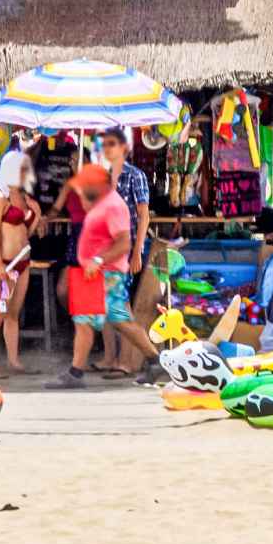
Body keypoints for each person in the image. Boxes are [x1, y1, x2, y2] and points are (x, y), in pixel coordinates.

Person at [44, 164, 162, 389]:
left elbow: (124, 243)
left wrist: (98, 260)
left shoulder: (113, 206)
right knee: (87, 322)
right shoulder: (102, 203)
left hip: (106, 274)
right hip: (93, 273)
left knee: (117, 321)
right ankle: (76, 373)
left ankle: (154, 360)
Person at [101, 128, 153, 377]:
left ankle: (127, 361)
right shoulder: (104, 177)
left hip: (126, 249)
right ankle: (111, 357)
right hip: (107, 250)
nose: (107, 149)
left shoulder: (135, 176)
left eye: (112, 144)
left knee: (120, 305)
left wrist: (137, 251)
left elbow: (144, 216)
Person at [0, 149, 39, 378]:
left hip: (22, 263)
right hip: (5, 264)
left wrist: (36, 215)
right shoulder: (1, 198)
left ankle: (13, 360)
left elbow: (27, 233)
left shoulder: (24, 198)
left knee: (13, 313)